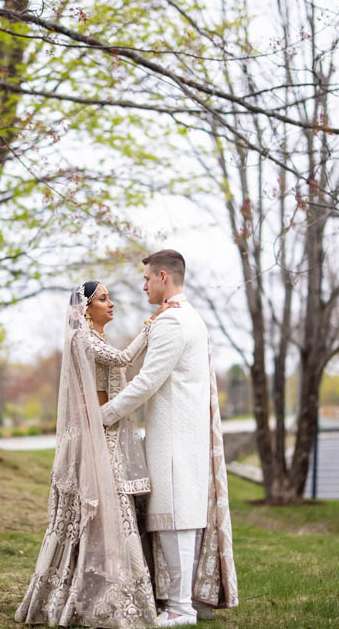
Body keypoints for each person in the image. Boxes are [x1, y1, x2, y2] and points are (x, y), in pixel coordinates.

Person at [15, 280, 175, 628]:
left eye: (109, 298)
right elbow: (123, 359)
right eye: (104, 299)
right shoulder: (82, 338)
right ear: (86, 309)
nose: (112, 304)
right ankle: (85, 597)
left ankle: (99, 592)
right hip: (93, 439)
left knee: (110, 510)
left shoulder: (94, 337)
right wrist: (150, 326)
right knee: (99, 511)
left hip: (105, 433)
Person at [99, 250, 238, 627]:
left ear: (164, 276)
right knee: (179, 516)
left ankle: (181, 608)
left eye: (147, 278)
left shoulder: (173, 323)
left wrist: (105, 415)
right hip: (185, 433)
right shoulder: (186, 318)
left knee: (175, 517)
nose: (143, 285)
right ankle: (185, 601)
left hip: (175, 437)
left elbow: (147, 381)